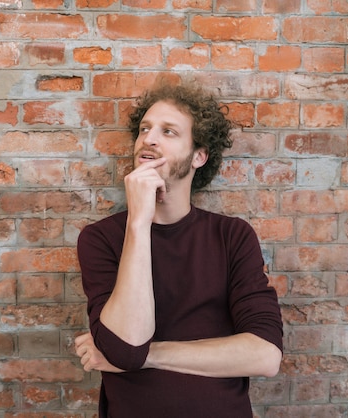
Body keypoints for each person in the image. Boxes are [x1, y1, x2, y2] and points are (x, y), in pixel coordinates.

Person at [74, 81, 284, 417]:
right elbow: (127, 347)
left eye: (168, 132)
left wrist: (150, 354)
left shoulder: (232, 236)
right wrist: (139, 223)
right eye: (144, 129)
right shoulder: (101, 239)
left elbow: (265, 356)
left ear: (198, 156)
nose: (149, 139)